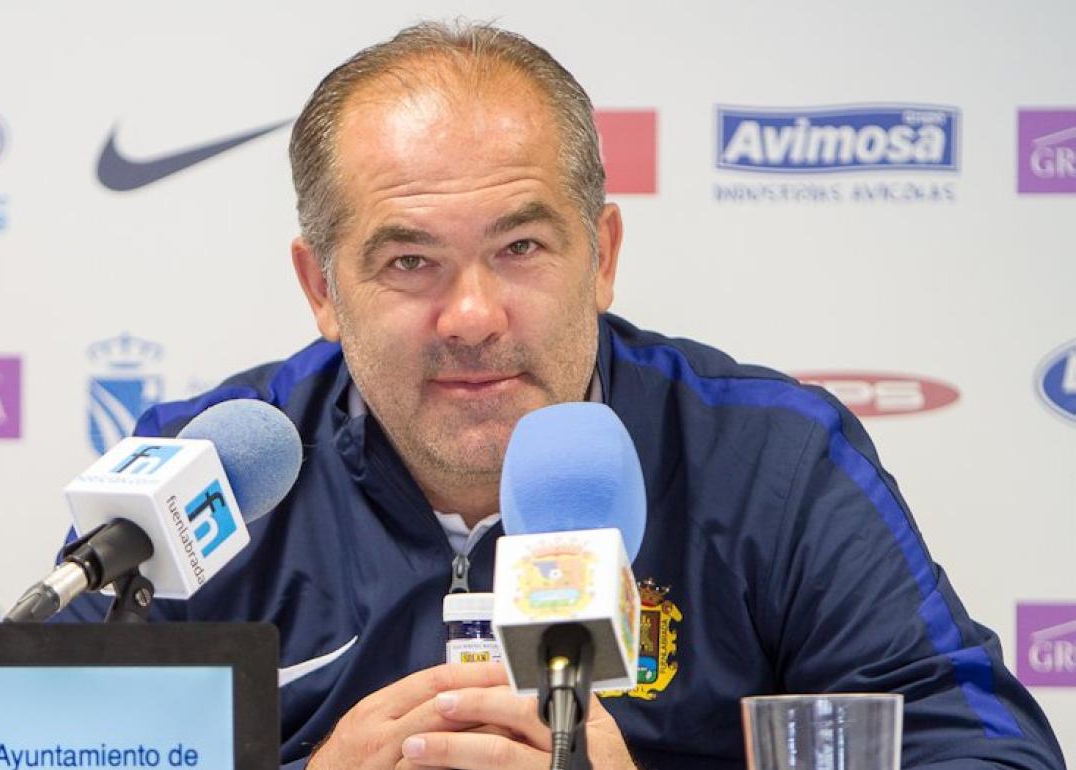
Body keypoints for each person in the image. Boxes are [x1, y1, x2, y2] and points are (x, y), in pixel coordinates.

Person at [59, 21, 1066, 770]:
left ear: (603, 257)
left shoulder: (769, 463)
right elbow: (44, 745)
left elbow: (990, 756)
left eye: (521, 247)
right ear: (322, 288)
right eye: (409, 260)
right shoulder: (201, 480)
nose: (472, 314)